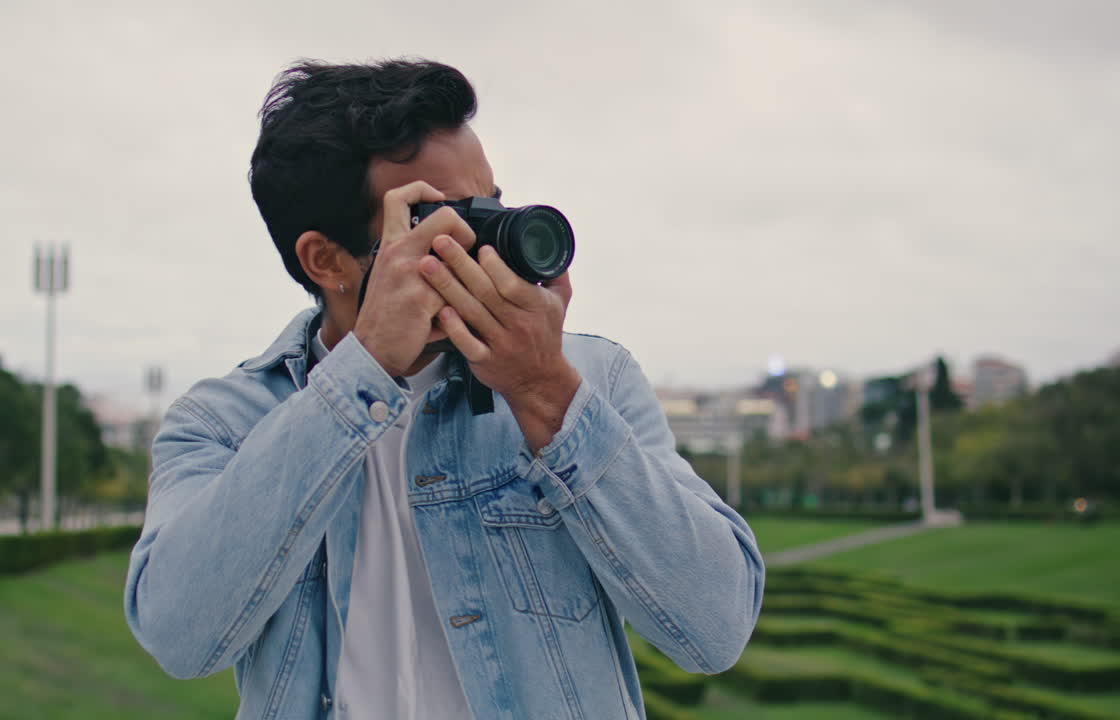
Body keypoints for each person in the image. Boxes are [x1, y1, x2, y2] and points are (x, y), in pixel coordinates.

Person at [124, 58, 764, 720]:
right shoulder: (223, 422)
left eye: (490, 205)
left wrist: (546, 393)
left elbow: (715, 628)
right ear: (327, 260)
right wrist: (362, 372)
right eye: (440, 220)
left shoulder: (590, 379)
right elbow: (180, 637)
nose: (483, 241)